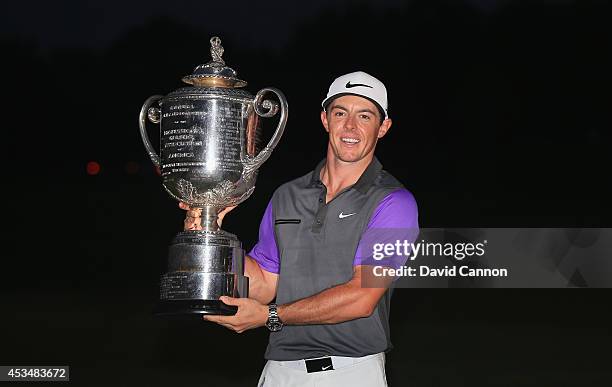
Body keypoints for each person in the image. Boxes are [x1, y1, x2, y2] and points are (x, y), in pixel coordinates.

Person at [181, 71, 419, 386]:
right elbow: (264, 284)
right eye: (340, 113)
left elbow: (362, 297)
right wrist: (210, 232)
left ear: (383, 127)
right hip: (280, 371)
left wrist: (270, 316)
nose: (350, 126)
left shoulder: (395, 203)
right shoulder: (287, 195)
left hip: (351, 373)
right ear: (325, 120)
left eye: (364, 116)